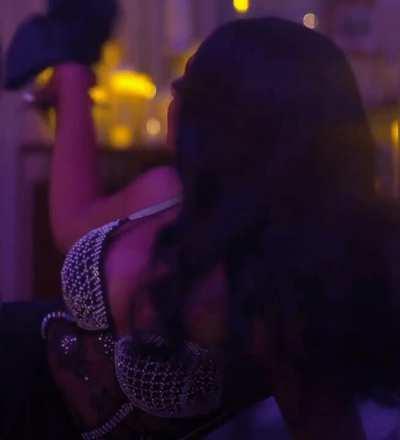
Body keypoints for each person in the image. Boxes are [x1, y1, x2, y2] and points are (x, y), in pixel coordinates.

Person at [4, 8, 400, 440]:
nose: (174, 89)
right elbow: (73, 223)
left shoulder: (284, 290)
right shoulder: (168, 188)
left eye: (196, 82)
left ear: (250, 119)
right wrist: (73, 79)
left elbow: (327, 426)